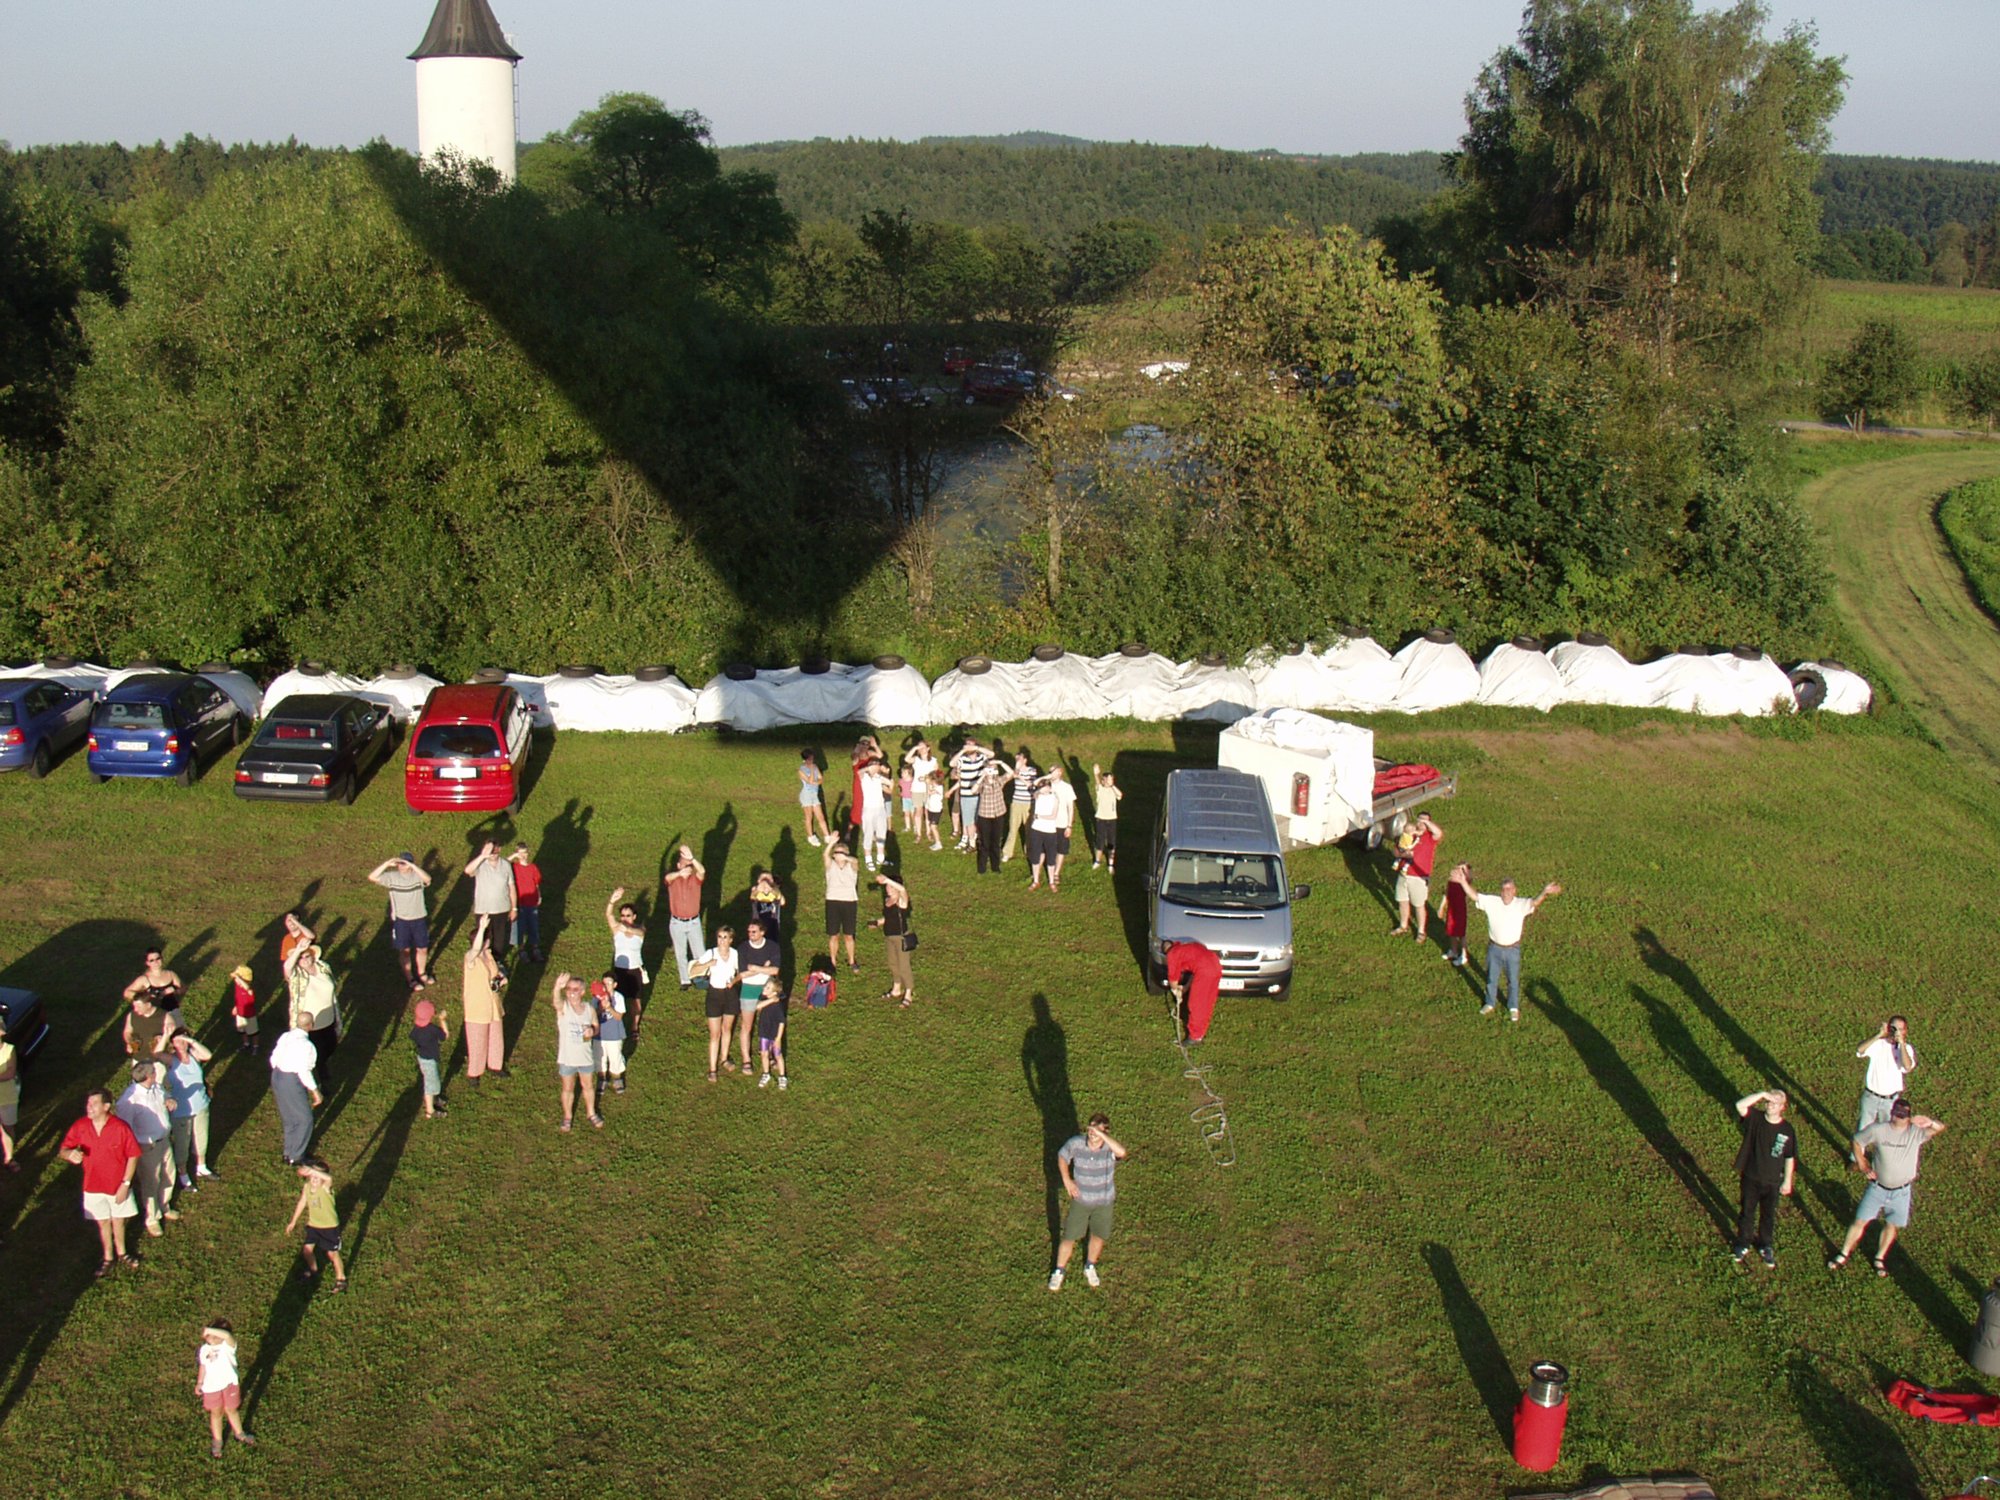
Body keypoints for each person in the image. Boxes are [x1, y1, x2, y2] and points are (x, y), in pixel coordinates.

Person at [1830, 1098, 1947, 1276]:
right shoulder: (1878, 1130)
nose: (1899, 1118)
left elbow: (1940, 1128)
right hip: (1878, 1188)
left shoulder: (1916, 1133)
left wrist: (1928, 1121)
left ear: (1909, 1116)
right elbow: (1857, 1141)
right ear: (1892, 1112)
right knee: (1860, 1221)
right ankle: (1844, 1253)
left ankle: (1880, 1258)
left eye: (1904, 1115)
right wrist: (1862, 1163)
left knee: (1892, 1225)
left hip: (1902, 1191)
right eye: (1897, 1113)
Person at [1448, 869, 1563, 1021]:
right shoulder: (1492, 902)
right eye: (1504, 889)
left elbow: (1534, 902)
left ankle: (1513, 1007)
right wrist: (1463, 882)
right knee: (1491, 978)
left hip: (1512, 949)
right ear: (1500, 891)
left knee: (1512, 980)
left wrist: (1544, 892)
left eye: (1509, 888)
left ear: (1514, 891)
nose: (1506, 891)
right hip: (1494, 948)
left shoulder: (1521, 904)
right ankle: (1490, 1003)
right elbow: (1474, 896)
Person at [60, 1088, 141, 1276]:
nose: (89, 1108)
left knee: (118, 1221)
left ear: (106, 1106)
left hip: (117, 1186)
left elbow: (133, 1155)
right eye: (88, 1104)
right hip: (92, 1187)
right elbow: (64, 1149)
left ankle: (122, 1252)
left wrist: (126, 1184)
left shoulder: (120, 1128)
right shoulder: (81, 1126)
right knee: (103, 1222)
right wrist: (68, 1154)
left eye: (94, 1104)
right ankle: (108, 1257)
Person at [1048, 1113, 1128, 1291]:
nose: (1091, 1132)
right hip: (1081, 1201)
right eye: (1091, 1127)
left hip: (1104, 1202)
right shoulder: (1076, 1143)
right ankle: (1059, 1271)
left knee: (1098, 1236)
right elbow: (1062, 1157)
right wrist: (1067, 1180)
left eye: (1097, 1129)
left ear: (1105, 1132)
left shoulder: (1109, 1149)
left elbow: (1122, 1153)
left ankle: (1090, 1266)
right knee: (1069, 1237)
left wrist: (1103, 1137)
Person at [1730, 1088, 1797, 1268]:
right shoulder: (1756, 1119)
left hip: (1773, 1180)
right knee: (1747, 1211)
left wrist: (1787, 1180)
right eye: (1768, 1101)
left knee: (1768, 1215)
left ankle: (1765, 1245)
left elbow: (1790, 1157)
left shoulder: (1787, 1130)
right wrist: (1761, 1094)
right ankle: (1743, 1242)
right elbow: (1740, 1105)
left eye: (1775, 1103)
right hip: (1751, 1176)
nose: (1770, 1105)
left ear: (1783, 1107)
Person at [116, 1059, 178, 1238]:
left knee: (169, 1174)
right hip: (147, 1146)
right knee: (151, 1182)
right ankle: (152, 1218)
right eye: (153, 1072)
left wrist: (170, 1100)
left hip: (164, 1141)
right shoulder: (130, 1100)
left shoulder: (156, 1088)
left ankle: (165, 1205)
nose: (156, 1074)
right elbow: (125, 1129)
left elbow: (164, 1096)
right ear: (148, 1076)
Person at [368, 853, 434, 989]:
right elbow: (372, 877)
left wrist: (413, 867)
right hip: (402, 920)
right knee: (405, 950)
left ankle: (422, 973)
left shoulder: (417, 876)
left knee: (422, 948)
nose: (401, 866)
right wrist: (387, 864)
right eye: (399, 863)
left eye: (404, 863)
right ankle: (410, 978)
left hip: (419, 918)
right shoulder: (392, 877)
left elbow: (428, 879)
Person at [550, 972, 603, 1131]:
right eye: (569, 989)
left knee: (588, 1086)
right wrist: (557, 988)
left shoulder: (589, 1009)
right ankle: (567, 1117)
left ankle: (591, 1113)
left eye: (575, 989)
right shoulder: (565, 1008)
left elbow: (596, 1026)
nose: (571, 992)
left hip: (585, 1057)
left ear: (582, 992)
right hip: (567, 1058)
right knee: (568, 1088)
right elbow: (556, 1002)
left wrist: (592, 1032)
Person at [268, 1010, 323, 1164]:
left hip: (277, 1075)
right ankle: (296, 1155)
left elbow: (274, 1056)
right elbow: (303, 1071)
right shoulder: (307, 1046)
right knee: (305, 1119)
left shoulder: (286, 1036)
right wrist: (315, 1091)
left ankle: (288, 1151)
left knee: (289, 1117)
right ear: (310, 1026)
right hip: (291, 1079)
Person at [164, 1028, 217, 1187]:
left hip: (200, 1105)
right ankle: (183, 1173)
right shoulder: (171, 1060)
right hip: (182, 1110)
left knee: (201, 1137)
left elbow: (208, 1055)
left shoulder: (194, 1056)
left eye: (184, 1039)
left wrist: (192, 1042)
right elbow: (156, 1054)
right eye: (178, 1040)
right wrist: (167, 1036)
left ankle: (201, 1166)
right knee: (182, 1143)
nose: (182, 1043)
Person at [285, 1158, 347, 1293]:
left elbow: (328, 1178)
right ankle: (313, 1270)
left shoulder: (326, 1188)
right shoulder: (307, 1187)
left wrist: (311, 1170)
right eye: (311, 1177)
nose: (313, 1179)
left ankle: (341, 1279)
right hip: (314, 1225)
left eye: (317, 1177)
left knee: (332, 1254)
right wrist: (293, 1221)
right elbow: (302, 1202)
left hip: (329, 1227)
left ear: (322, 1180)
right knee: (307, 1250)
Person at [195, 1320, 255, 1457]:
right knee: (216, 1413)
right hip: (212, 1388)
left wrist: (209, 1330)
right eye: (209, 1335)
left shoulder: (228, 1346)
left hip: (229, 1385)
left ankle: (239, 1433)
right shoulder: (204, 1349)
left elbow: (227, 1336)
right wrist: (199, 1382)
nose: (210, 1338)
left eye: (215, 1335)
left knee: (231, 1410)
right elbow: (203, 1366)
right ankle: (217, 1441)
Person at [460, 917, 507, 1087]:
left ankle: (496, 1065)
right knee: (477, 1040)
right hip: (477, 1007)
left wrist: (500, 979)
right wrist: (481, 928)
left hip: (493, 1003)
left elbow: (493, 975)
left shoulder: (488, 955)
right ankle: (474, 1072)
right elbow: (475, 949)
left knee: (496, 1036)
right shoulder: (470, 959)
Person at [283, 941, 341, 1072]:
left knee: (331, 1047)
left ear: (313, 956)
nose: (304, 960)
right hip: (310, 1025)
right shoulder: (297, 975)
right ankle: (320, 1078)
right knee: (317, 1055)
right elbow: (287, 968)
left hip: (329, 1019)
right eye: (300, 958)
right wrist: (298, 950)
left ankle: (320, 1068)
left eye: (307, 956)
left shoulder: (323, 967)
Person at [1854, 1016, 1916, 1133]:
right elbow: (1860, 1050)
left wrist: (1901, 1044)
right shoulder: (1878, 1044)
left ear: (1905, 1031)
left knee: (1886, 1134)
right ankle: (1857, 1151)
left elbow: (1907, 1066)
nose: (1896, 1032)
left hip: (1890, 1101)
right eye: (1893, 1028)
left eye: (1900, 1029)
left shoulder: (1906, 1049)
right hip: (1870, 1097)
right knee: (1862, 1132)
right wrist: (1878, 1035)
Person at [738, 919, 783, 1075]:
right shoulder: (743, 948)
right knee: (747, 1025)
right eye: (749, 931)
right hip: (748, 988)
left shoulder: (772, 947)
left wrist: (756, 968)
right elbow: (743, 972)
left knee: (769, 1024)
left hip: (767, 989)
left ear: (762, 932)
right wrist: (765, 967)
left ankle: (769, 1055)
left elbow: (775, 970)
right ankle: (746, 1060)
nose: (751, 934)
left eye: (754, 932)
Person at [464, 841, 517, 972]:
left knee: (499, 938)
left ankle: (497, 961)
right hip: (484, 909)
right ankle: (483, 960)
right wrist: (482, 856)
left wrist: (514, 907)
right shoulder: (480, 864)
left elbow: (511, 886)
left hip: (502, 908)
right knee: (484, 936)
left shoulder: (505, 864)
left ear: (500, 849)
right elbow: (468, 870)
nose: (493, 853)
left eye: (495, 849)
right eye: (490, 850)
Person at [698, 927, 743, 1083]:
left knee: (727, 1028)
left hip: (730, 993)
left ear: (731, 940)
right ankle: (712, 1068)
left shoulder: (735, 954)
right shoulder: (711, 953)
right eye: (719, 937)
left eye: (725, 937)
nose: (722, 940)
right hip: (714, 995)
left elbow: (740, 972)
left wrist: (735, 981)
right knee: (714, 1034)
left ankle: (724, 1058)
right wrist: (707, 964)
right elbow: (693, 969)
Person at [1389, 813, 1443, 941]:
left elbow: (1438, 832)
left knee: (1419, 905)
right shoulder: (1408, 835)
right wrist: (1402, 854)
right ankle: (1403, 925)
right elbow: (1395, 850)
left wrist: (1427, 823)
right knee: (1402, 902)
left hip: (1419, 877)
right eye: (1419, 821)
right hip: (1403, 874)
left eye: (1424, 822)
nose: (1420, 824)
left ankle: (1421, 931)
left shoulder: (1430, 837)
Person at [663, 845, 706, 989]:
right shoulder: (673, 880)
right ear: (678, 865)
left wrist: (692, 859)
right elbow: (667, 877)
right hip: (677, 922)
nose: (687, 867)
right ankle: (685, 980)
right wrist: (679, 874)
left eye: (689, 865)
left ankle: (699, 976)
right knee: (680, 952)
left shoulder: (696, 879)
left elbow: (702, 871)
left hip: (693, 921)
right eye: (684, 864)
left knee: (699, 951)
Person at [605, 889, 649, 1028]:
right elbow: (608, 915)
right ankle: (616, 1023)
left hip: (635, 969)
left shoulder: (639, 929)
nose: (625, 918)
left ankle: (635, 1026)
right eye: (623, 916)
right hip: (619, 970)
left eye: (628, 915)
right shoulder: (617, 929)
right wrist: (612, 901)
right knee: (616, 998)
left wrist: (628, 930)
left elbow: (640, 932)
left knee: (635, 1001)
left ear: (634, 916)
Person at [871, 872, 916, 1007]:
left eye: (890, 887)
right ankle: (896, 988)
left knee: (904, 966)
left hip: (901, 937)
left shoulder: (902, 901)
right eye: (887, 887)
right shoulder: (887, 900)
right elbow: (889, 918)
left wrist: (887, 880)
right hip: (889, 936)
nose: (888, 889)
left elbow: (903, 890)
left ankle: (908, 992)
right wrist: (877, 922)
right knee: (892, 964)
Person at [1165, 941, 1224, 1045]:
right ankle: (1200, 1033)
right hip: (1216, 966)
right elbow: (1194, 971)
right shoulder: (1189, 947)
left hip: (1204, 971)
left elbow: (1173, 980)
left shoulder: (1172, 954)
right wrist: (1186, 988)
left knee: (1196, 1004)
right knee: (1206, 1002)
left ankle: (1195, 1036)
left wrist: (1176, 992)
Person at [823, 838, 861, 974]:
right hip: (833, 901)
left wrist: (846, 857)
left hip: (849, 902)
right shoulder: (831, 865)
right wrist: (831, 844)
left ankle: (851, 960)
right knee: (833, 934)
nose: (839, 855)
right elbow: (825, 856)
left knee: (849, 935)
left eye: (842, 852)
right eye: (837, 852)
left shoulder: (851, 866)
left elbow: (856, 862)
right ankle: (833, 961)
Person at [973, 755, 1014, 875]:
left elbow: (1010, 773)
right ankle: (982, 867)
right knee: (985, 843)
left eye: (993, 769)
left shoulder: (999, 781)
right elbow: (973, 790)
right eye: (989, 768)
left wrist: (1000, 762)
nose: (991, 771)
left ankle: (995, 866)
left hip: (998, 814)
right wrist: (983, 776)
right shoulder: (982, 782)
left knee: (996, 842)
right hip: (985, 815)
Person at [410, 997, 449, 1119]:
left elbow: (412, 1036)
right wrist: (442, 1020)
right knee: (430, 1084)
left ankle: (435, 1098)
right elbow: (445, 1036)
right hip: (431, 1060)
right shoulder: (432, 1030)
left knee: (431, 1079)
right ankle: (430, 1110)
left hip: (422, 1058)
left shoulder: (416, 1029)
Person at [123, 948, 186, 1023]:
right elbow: (127, 993)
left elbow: (182, 988)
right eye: (152, 960)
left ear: (162, 959)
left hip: (172, 1010)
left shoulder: (171, 974)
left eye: (158, 958)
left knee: (179, 1033)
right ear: (147, 963)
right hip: (153, 1015)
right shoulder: (144, 979)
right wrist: (146, 997)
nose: (155, 962)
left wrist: (175, 991)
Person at [950, 735, 990, 851]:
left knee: (980, 819)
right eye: (967, 744)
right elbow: (952, 764)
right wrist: (962, 751)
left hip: (979, 794)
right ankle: (972, 843)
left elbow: (991, 754)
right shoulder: (963, 759)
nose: (969, 747)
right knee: (968, 820)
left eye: (971, 744)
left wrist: (977, 748)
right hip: (966, 795)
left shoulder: (981, 758)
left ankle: (979, 839)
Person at [1026, 773, 1062, 893]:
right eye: (1043, 787)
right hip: (1037, 830)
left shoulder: (1055, 798)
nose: (1044, 789)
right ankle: (1036, 880)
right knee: (1035, 855)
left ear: (1050, 788)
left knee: (1051, 857)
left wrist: (1039, 816)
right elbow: (1032, 786)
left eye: (1047, 786)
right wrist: (1046, 777)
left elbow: (1053, 816)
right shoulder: (1038, 795)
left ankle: (1051, 881)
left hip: (1050, 831)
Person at [509, 844, 545, 965]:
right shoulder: (514, 867)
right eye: (520, 853)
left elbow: (536, 883)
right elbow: (502, 864)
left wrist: (539, 895)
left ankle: (535, 949)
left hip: (532, 901)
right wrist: (514, 856)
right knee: (520, 927)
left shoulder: (533, 867)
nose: (523, 855)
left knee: (533, 926)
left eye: (525, 852)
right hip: (520, 902)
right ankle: (522, 950)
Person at [592, 978, 628, 1096]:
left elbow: (618, 1017)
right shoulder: (596, 998)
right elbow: (591, 1015)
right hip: (599, 1035)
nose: (607, 985)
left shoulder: (618, 997)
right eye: (604, 983)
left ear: (615, 984)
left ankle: (617, 1080)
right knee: (599, 1058)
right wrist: (601, 1008)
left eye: (609, 983)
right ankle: (602, 1079)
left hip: (614, 1035)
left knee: (615, 1058)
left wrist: (609, 1008)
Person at [1002, 749, 1039, 863]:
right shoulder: (1015, 771)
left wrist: (1019, 776)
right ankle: (1007, 852)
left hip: (1028, 803)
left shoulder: (1032, 770)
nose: (1017, 760)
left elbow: (1030, 785)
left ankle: (1029, 851)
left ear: (1025, 760)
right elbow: (1008, 778)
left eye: (1019, 759)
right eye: (1016, 758)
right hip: (1016, 802)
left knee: (1029, 829)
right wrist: (1016, 771)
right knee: (1013, 828)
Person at [858, 754, 892, 869]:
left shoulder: (879, 777)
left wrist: (888, 782)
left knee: (881, 833)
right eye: (875, 765)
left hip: (880, 809)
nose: (877, 767)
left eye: (878, 765)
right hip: (869, 809)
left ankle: (880, 858)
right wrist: (869, 768)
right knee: (868, 833)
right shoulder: (865, 777)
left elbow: (890, 785)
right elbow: (859, 772)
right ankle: (868, 859)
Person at [1047, 766, 1079, 889]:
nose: (1050, 773)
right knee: (1048, 848)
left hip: (1062, 823)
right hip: (1048, 823)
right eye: (1049, 771)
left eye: (1052, 771)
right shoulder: (1046, 785)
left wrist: (1069, 825)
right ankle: (1048, 869)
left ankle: (1056, 873)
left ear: (1060, 772)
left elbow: (1070, 808)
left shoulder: (1067, 787)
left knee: (1061, 849)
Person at [1088, 762, 1123, 873]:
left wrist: (1112, 785)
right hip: (1101, 819)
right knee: (1100, 841)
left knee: (1111, 842)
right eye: (1107, 780)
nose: (1109, 781)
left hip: (1112, 819)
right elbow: (1097, 783)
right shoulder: (1100, 789)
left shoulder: (1113, 790)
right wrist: (1096, 774)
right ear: (1103, 781)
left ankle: (1111, 864)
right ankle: (1097, 861)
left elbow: (1120, 795)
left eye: (1111, 779)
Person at [122, 990, 173, 1060]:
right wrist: (129, 1041)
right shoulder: (132, 1015)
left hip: (158, 1059)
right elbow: (127, 1032)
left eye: (139, 1006)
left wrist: (163, 1038)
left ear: (148, 1005)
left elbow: (173, 1037)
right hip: (138, 1058)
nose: (135, 1009)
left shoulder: (164, 1016)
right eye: (134, 1006)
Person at [1438, 862, 1471, 967]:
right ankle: (1454, 951)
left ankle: (1464, 956)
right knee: (1451, 930)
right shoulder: (1451, 882)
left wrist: (1465, 873)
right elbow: (1447, 894)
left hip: (1460, 909)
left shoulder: (1465, 882)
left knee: (1461, 933)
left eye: (1463, 870)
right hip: (1452, 909)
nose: (1459, 871)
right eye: (1458, 869)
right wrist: (1442, 907)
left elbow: (1469, 879)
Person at [798, 749, 830, 848]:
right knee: (809, 816)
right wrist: (812, 770)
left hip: (814, 794)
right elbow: (810, 781)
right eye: (810, 758)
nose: (812, 760)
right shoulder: (801, 770)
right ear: (806, 759)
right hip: (806, 795)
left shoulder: (815, 766)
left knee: (820, 816)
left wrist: (818, 782)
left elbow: (820, 778)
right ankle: (811, 836)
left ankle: (827, 836)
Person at [0, 1016, 19, 1172]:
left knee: (7, 1128)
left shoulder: (9, 1050)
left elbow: (10, 1073)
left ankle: (9, 1157)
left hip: (7, 1097)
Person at [228, 963, 261, 1052]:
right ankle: (246, 1044)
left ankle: (255, 1046)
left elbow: (247, 988)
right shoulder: (238, 987)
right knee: (242, 1030)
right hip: (240, 1013)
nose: (235, 980)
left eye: (237, 979)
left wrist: (239, 978)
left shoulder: (249, 990)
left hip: (249, 1015)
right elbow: (238, 998)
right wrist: (236, 1006)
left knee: (253, 1032)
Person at [749, 868, 786, 937]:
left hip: (773, 925)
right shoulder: (755, 890)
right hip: (757, 926)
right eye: (763, 878)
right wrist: (760, 887)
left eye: (768, 879)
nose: (765, 881)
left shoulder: (775, 890)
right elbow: (752, 896)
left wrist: (770, 889)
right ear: (758, 881)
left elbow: (782, 902)